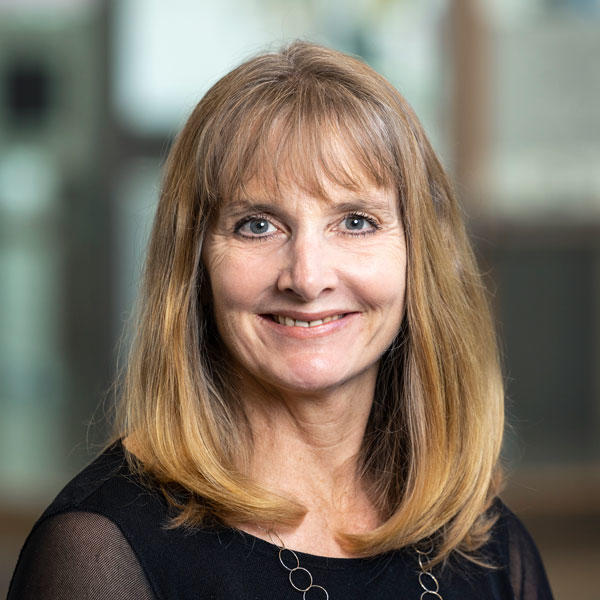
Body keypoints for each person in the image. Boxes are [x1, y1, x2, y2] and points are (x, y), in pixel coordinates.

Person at [8, 41, 554, 599]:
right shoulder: (99, 552)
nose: (307, 277)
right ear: (194, 265)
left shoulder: (485, 544)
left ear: (419, 257)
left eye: (357, 222)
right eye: (258, 226)